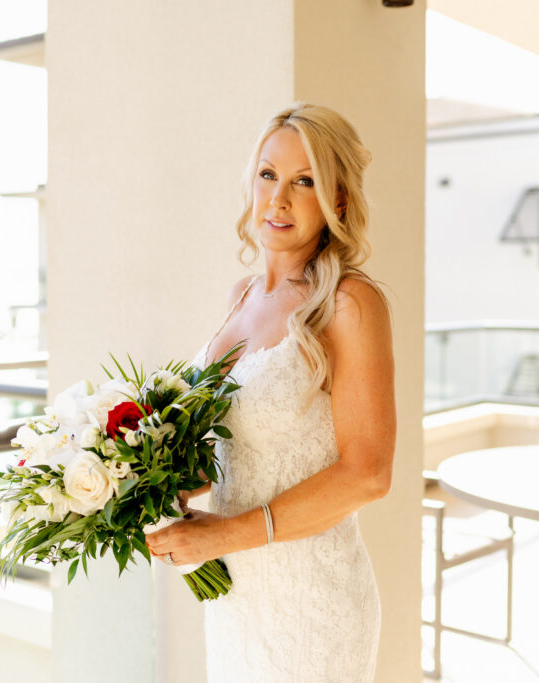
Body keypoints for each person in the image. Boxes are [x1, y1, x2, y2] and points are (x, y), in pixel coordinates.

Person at [144, 102, 396, 682]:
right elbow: (236, 450)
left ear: (336, 200)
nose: (278, 199)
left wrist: (223, 533)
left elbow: (368, 474)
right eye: (268, 175)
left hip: (312, 599)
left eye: (304, 181)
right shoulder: (240, 296)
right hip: (235, 592)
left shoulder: (350, 304)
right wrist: (141, 484)